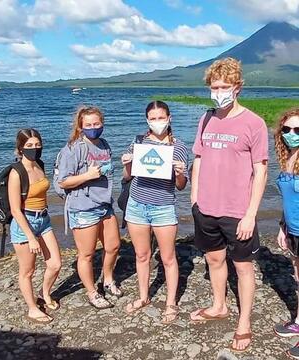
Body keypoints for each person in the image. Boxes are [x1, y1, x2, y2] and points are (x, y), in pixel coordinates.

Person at [190, 57, 268, 352]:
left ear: (238, 87)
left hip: (238, 211)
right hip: (206, 207)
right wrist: (195, 198)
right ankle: (219, 305)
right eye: (214, 87)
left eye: (224, 86)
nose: (218, 92)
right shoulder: (206, 118)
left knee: (243, 267)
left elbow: (260, 170)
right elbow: (198, 157)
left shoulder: (254, 123)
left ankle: (244, 323)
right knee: (214, 260)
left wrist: (251, 214)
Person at [121, 100, 188, 324]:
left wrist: (180, 173)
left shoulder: (178, 147)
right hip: (137, 205)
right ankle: (143, 297)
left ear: (169, 119)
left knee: (168, 258)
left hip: (163, 207)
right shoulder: (138, 142)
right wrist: (126, 163)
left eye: (161, 117)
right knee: (142, 255)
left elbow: (180, 185)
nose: (157, 122)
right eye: (153, 118)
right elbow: (128, 176)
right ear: (146, 120)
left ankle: (171, 303)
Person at [56, 106, 122, 309]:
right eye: (88, 125)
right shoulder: (73, 149)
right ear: (80, 126)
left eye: (97, 124)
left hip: (104, 204)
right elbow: (62, 182)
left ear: (102, 124)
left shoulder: (104, 144)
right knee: (86, 254)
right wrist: (87, 176)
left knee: (113, 246)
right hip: (83, 208)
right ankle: (92, 292)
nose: (93, 128)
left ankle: (108, 279)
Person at [8, 128, 61, 324]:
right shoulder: (16, 173)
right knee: (27, 271)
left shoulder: (40, 164)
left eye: (37, 145)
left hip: (43, 219)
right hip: (25, 224)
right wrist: (30, 237)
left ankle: (44, 293)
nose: (34, 149)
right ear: (20, 148)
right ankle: (32, 308)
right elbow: (15, 210)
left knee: (55, 264)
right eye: (29, 145)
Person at [273, 108, 299, 360]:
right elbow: (290, 200)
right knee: (298, 278)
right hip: (293, 229)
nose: (292, 134)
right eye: (287, 129)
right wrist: (283, 226)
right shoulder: (288, 158)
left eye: (298, 130)